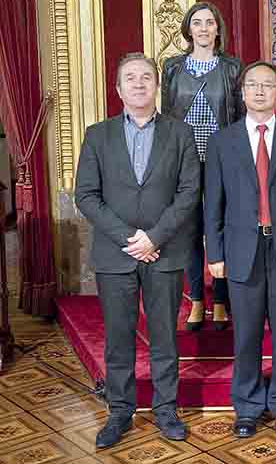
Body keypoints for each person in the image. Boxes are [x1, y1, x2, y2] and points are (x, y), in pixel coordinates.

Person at [76, 52, 201, 448]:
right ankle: (119, 411)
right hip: (117, 254)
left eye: (146, 77)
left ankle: (166, 410)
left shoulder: (179, 133)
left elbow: (188, 192)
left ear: (156, 86)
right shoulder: (98, 135)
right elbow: (86, 195)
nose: (139, 84)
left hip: (164, 251)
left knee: (165, 335)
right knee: (118, 337)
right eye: (130, 78)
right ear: (118, 88)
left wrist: (155, 237)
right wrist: (131, 238)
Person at [205, 61, 276, 438]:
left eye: (267, 85)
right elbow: (214, 205)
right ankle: (248, 406)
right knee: (247, 334)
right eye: (252, 85)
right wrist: (215, 254)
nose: (259, 91)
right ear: (242, 92)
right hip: (242, 250)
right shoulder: (223, 141)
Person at [161, 1, 244, 332]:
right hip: (185, 163)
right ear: (188, 29)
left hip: (222, 162)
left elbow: (239, 118)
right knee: (190, 233)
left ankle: (221, 302)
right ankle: (197, 301)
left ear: (217, 29)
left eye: (210, 22)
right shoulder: (171, 68)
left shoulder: (232, 68)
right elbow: (166, 120)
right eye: (198, 23)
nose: (204, 28)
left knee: (221, 230)